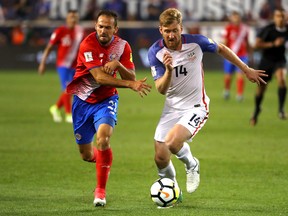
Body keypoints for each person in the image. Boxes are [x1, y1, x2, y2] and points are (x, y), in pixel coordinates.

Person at [147, 8, 267, 203]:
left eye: (175, 30)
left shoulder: (196, 42)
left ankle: (192, 164)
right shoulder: (156, 53)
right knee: (160, 157)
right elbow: (160, 89)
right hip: (171, 107)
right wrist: (169, 70)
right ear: (160, 30)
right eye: (167, 30)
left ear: (181, 28)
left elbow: (221, 48)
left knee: (172, 142)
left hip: (196, 106)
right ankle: (171, 190)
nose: (171, 35)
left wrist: (245, 69)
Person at [66, 10, 151, 207]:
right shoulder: (88, 44)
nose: (103, 30)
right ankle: (104, 162)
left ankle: (100, 192)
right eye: (100, 26)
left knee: (103, 139)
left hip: (107, 100)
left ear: (115, 29)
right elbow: (99, 78)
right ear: (96, 26)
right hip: (82, 101)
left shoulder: (123, 46)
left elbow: (130, 76)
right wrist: (131, 85)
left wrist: (119, 64)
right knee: (87, 155)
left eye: (108, 27)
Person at [38, 9, 84, 123]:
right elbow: (49, 47)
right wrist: (42, 63)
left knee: (73, 90)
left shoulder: (80, 31)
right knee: (67, 88)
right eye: (71, 17)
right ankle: (69, 115)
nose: (73, 19)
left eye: (75, 17)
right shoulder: (60, 31)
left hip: (75, 66)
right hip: (63, 65)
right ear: (67, 19)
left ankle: (55, 108)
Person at [250, 7, 287, 126]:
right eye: (278, 16)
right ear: (274, 18)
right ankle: (256, 111)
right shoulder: (268, 29)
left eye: (283, 16)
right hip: (266, 61)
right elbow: (256, 45)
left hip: (280, 60)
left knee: (281, 79)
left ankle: (281, 110)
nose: (280, 19)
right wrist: (273, 44)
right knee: (261, 89)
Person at [222, 11, 251, 102]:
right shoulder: (228, 28)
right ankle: (226, 90)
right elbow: (225, 41)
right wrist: (224, 52)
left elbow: (247, 42)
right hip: (230, 55)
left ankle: (239, 94)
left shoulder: (244, 29)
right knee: (228, 76)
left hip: (242, 55)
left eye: (237, 17)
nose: (236, 19)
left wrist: (250, 53)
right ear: (231, 18)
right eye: (234, 17)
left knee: (241, 75)